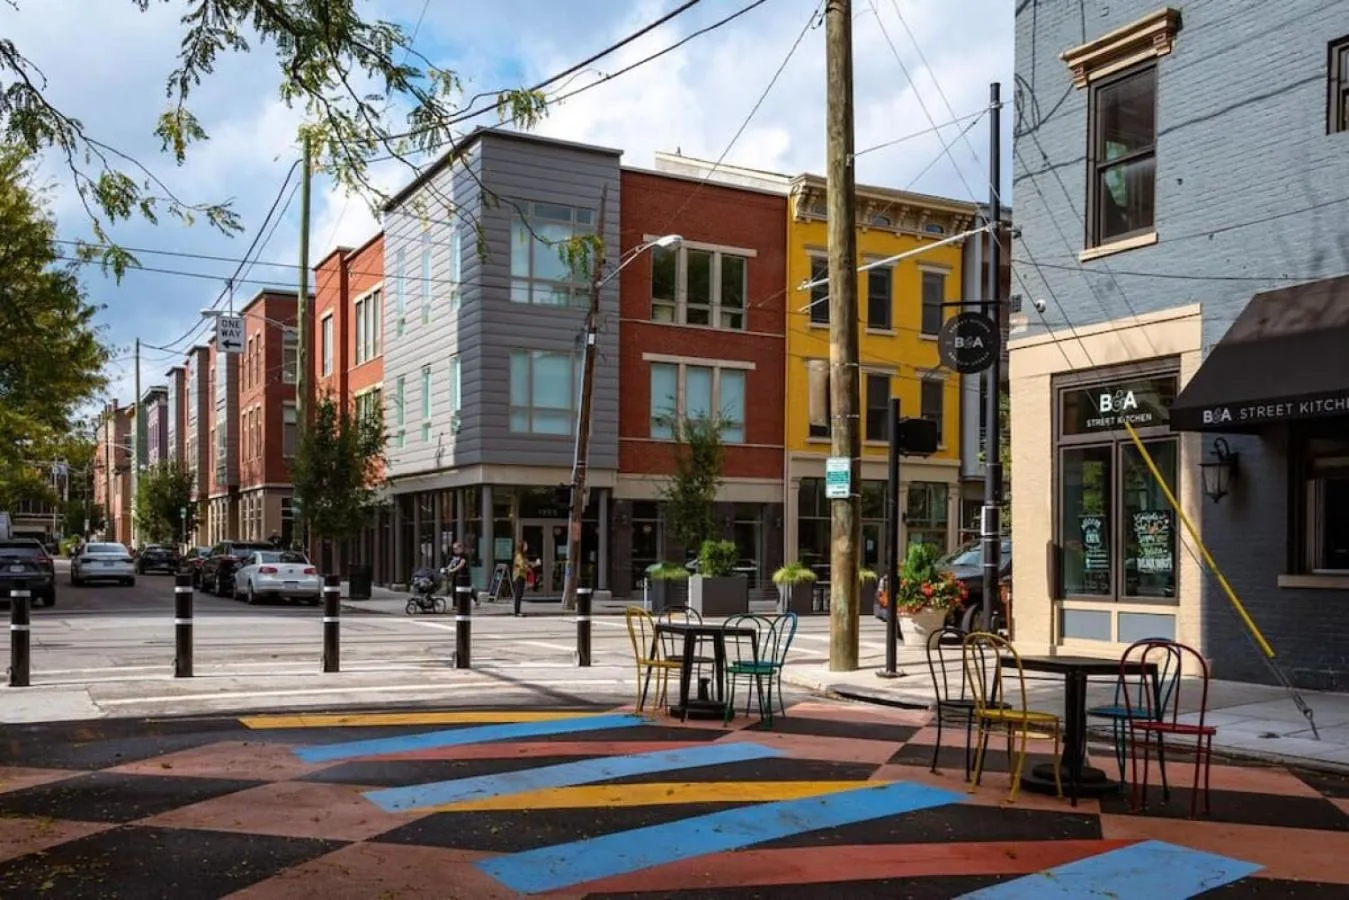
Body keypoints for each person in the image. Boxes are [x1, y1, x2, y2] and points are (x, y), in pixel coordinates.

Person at [445, 541, 476, 607]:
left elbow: (461, 564)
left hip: (463, 575)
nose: (454, 550)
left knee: (466, 589)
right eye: (453, 549)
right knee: (454, 589)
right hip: (456, 575)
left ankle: (475, 598)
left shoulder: (464, 555)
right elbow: (452, 563)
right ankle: (455, 605)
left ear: (460, 548)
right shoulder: (454, 556)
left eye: (456, 549)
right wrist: (447, 569)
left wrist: (452, 570)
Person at [512, 540, 532, 617]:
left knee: (519, 594)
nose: (526, 547)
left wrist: (530, 565)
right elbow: (521, 566)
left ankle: (518, 611)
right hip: (519, 576)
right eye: (525, 545)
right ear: (522, 547)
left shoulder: (523, 556)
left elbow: (526, 564)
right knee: (518, 594)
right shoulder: (519, 556)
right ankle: (517, 612)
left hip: (522, 576)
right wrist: (528, 569)